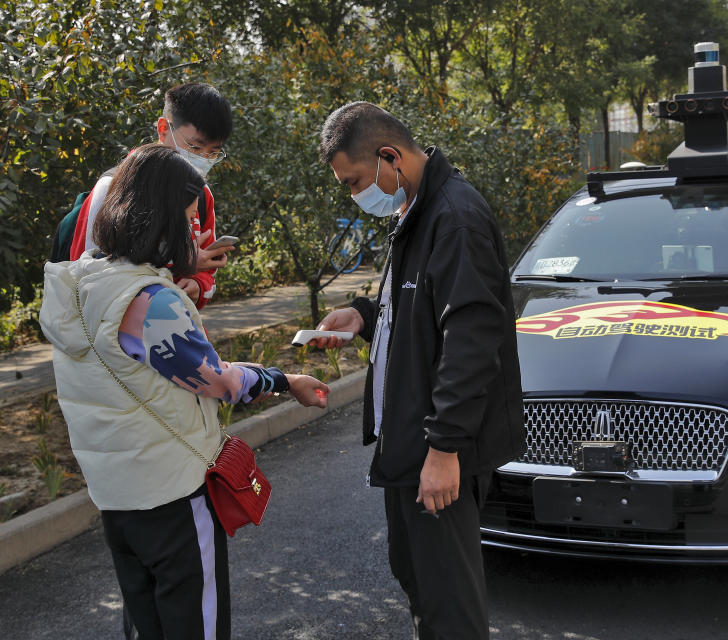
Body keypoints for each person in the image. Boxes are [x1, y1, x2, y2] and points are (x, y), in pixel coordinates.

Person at [39, 144, 329, 640]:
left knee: (148, 625)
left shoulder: (82, 283)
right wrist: (287, 380)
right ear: (163, 217)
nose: (195, 230)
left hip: (117, 500)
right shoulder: (151, 304)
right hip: (171, 497)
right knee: (196, 625)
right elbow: (219, 380)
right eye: (190, 220)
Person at [312, 102, 525, 639]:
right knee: (420, 584)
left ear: (390, 156)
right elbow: (419, 306)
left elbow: (472, 342)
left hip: (438, 452)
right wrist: (363, 314)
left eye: (356, 180)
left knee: (448, 604)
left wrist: (444, 449)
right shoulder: (415, 209)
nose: (355, 194)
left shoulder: (454, 217)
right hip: (410, 445)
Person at [69, 82, 235, 309]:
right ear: (163, 129)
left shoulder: (201, 193)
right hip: (122, 337)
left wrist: (197, 284)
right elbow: (85, 277)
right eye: (195, 148)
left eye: (213, 152)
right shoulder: (113, 188)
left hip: (175, 329)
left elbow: (206, 273)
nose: (203, 158)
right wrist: (181, 265)